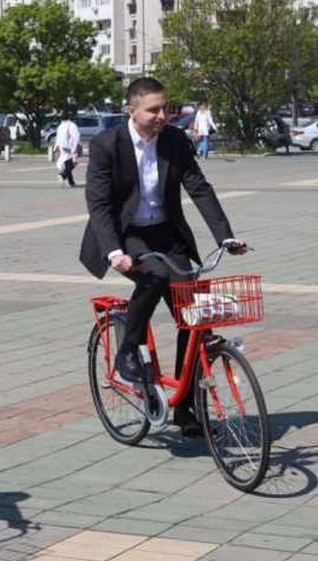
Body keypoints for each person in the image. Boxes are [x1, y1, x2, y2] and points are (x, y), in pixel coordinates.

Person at [79, 77, 247, 438]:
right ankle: (127, 352)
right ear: (132, 110)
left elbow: (198, 186)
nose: (162, 116)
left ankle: (186, 411)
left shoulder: (173, 140)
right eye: (153, 110)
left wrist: (225, 236)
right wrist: (114, 252)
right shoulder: (108, 144)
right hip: (127, 235)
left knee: (194, 315)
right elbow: (99, 204)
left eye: (165, 109)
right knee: (153, 274)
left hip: (166, 233)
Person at [54, 110, 81, 188]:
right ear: (69, 117)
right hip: (70, 147)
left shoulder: (60, 126)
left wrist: (56, 147)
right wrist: (76, 147)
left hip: (63, 147)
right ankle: (63, 175)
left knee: (67, 163)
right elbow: (76, 137)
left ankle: (71, 182)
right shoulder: (72, 125)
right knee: (73, 163)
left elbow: (58, 137)